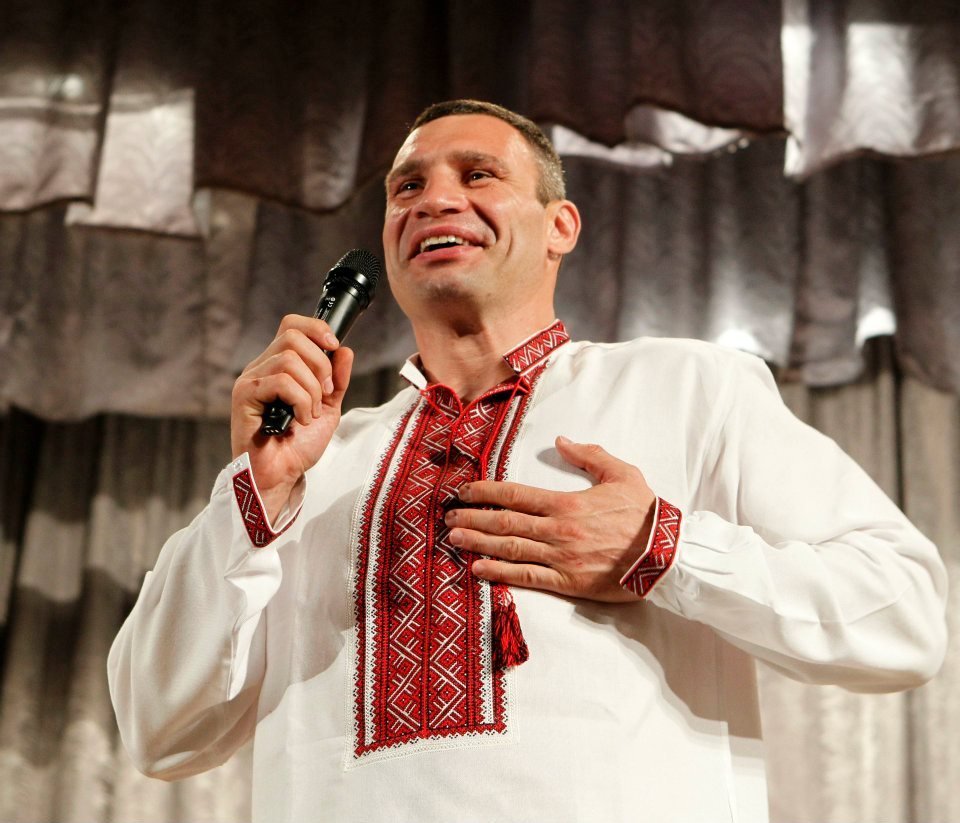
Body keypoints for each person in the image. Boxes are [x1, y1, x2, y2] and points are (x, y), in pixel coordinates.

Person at [108, 100, 948, 822]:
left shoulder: (688, 386)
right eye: (407, 186)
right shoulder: (310, 464)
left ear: (560, 227)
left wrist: (661, 548)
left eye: (478, 175)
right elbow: (156, 727)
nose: (436, 198)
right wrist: (255, 492)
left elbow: (902, 612)